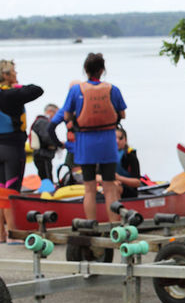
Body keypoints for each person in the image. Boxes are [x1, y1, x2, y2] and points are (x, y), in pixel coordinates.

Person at [52, 53, 127, 222]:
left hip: (85, 143)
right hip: (108, 141)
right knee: (109, 187)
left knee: (89, 189)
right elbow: (122, 113)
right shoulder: (112, 89)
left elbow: (67, 114)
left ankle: (92, 224)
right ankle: (114, 226)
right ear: (102, 70)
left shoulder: (76, 90)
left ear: (85, 70)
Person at [0, 60, 43, 242]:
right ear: (6, 75)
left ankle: (1, 234)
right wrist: (16, 86)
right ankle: (12, 234)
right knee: (11, 192)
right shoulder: (11, 95)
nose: (17, 74)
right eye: (14, 72)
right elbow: (37, 90)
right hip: (11, 150)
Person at [29, 103, 64, 192]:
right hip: (43, 155)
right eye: (57, 114)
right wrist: (59, 144)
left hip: (41, 155)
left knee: (45, 177)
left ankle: (46, 192)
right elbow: (47, 138)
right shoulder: (43, 122)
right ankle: (48, 196)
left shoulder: (41, 121)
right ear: (50, 112)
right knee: (47, 178)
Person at [114, 126, 143, 199]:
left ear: (125, 140)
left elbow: (137, 182)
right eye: (114, 138)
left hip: (129, 190)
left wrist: (119, 178)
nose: (117, 141)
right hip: (111, 185)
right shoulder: (106, 155)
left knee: (115, 188)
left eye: (120, 138)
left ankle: (116, 209)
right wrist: (111, 180)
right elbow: (97, 176)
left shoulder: (130, 156)